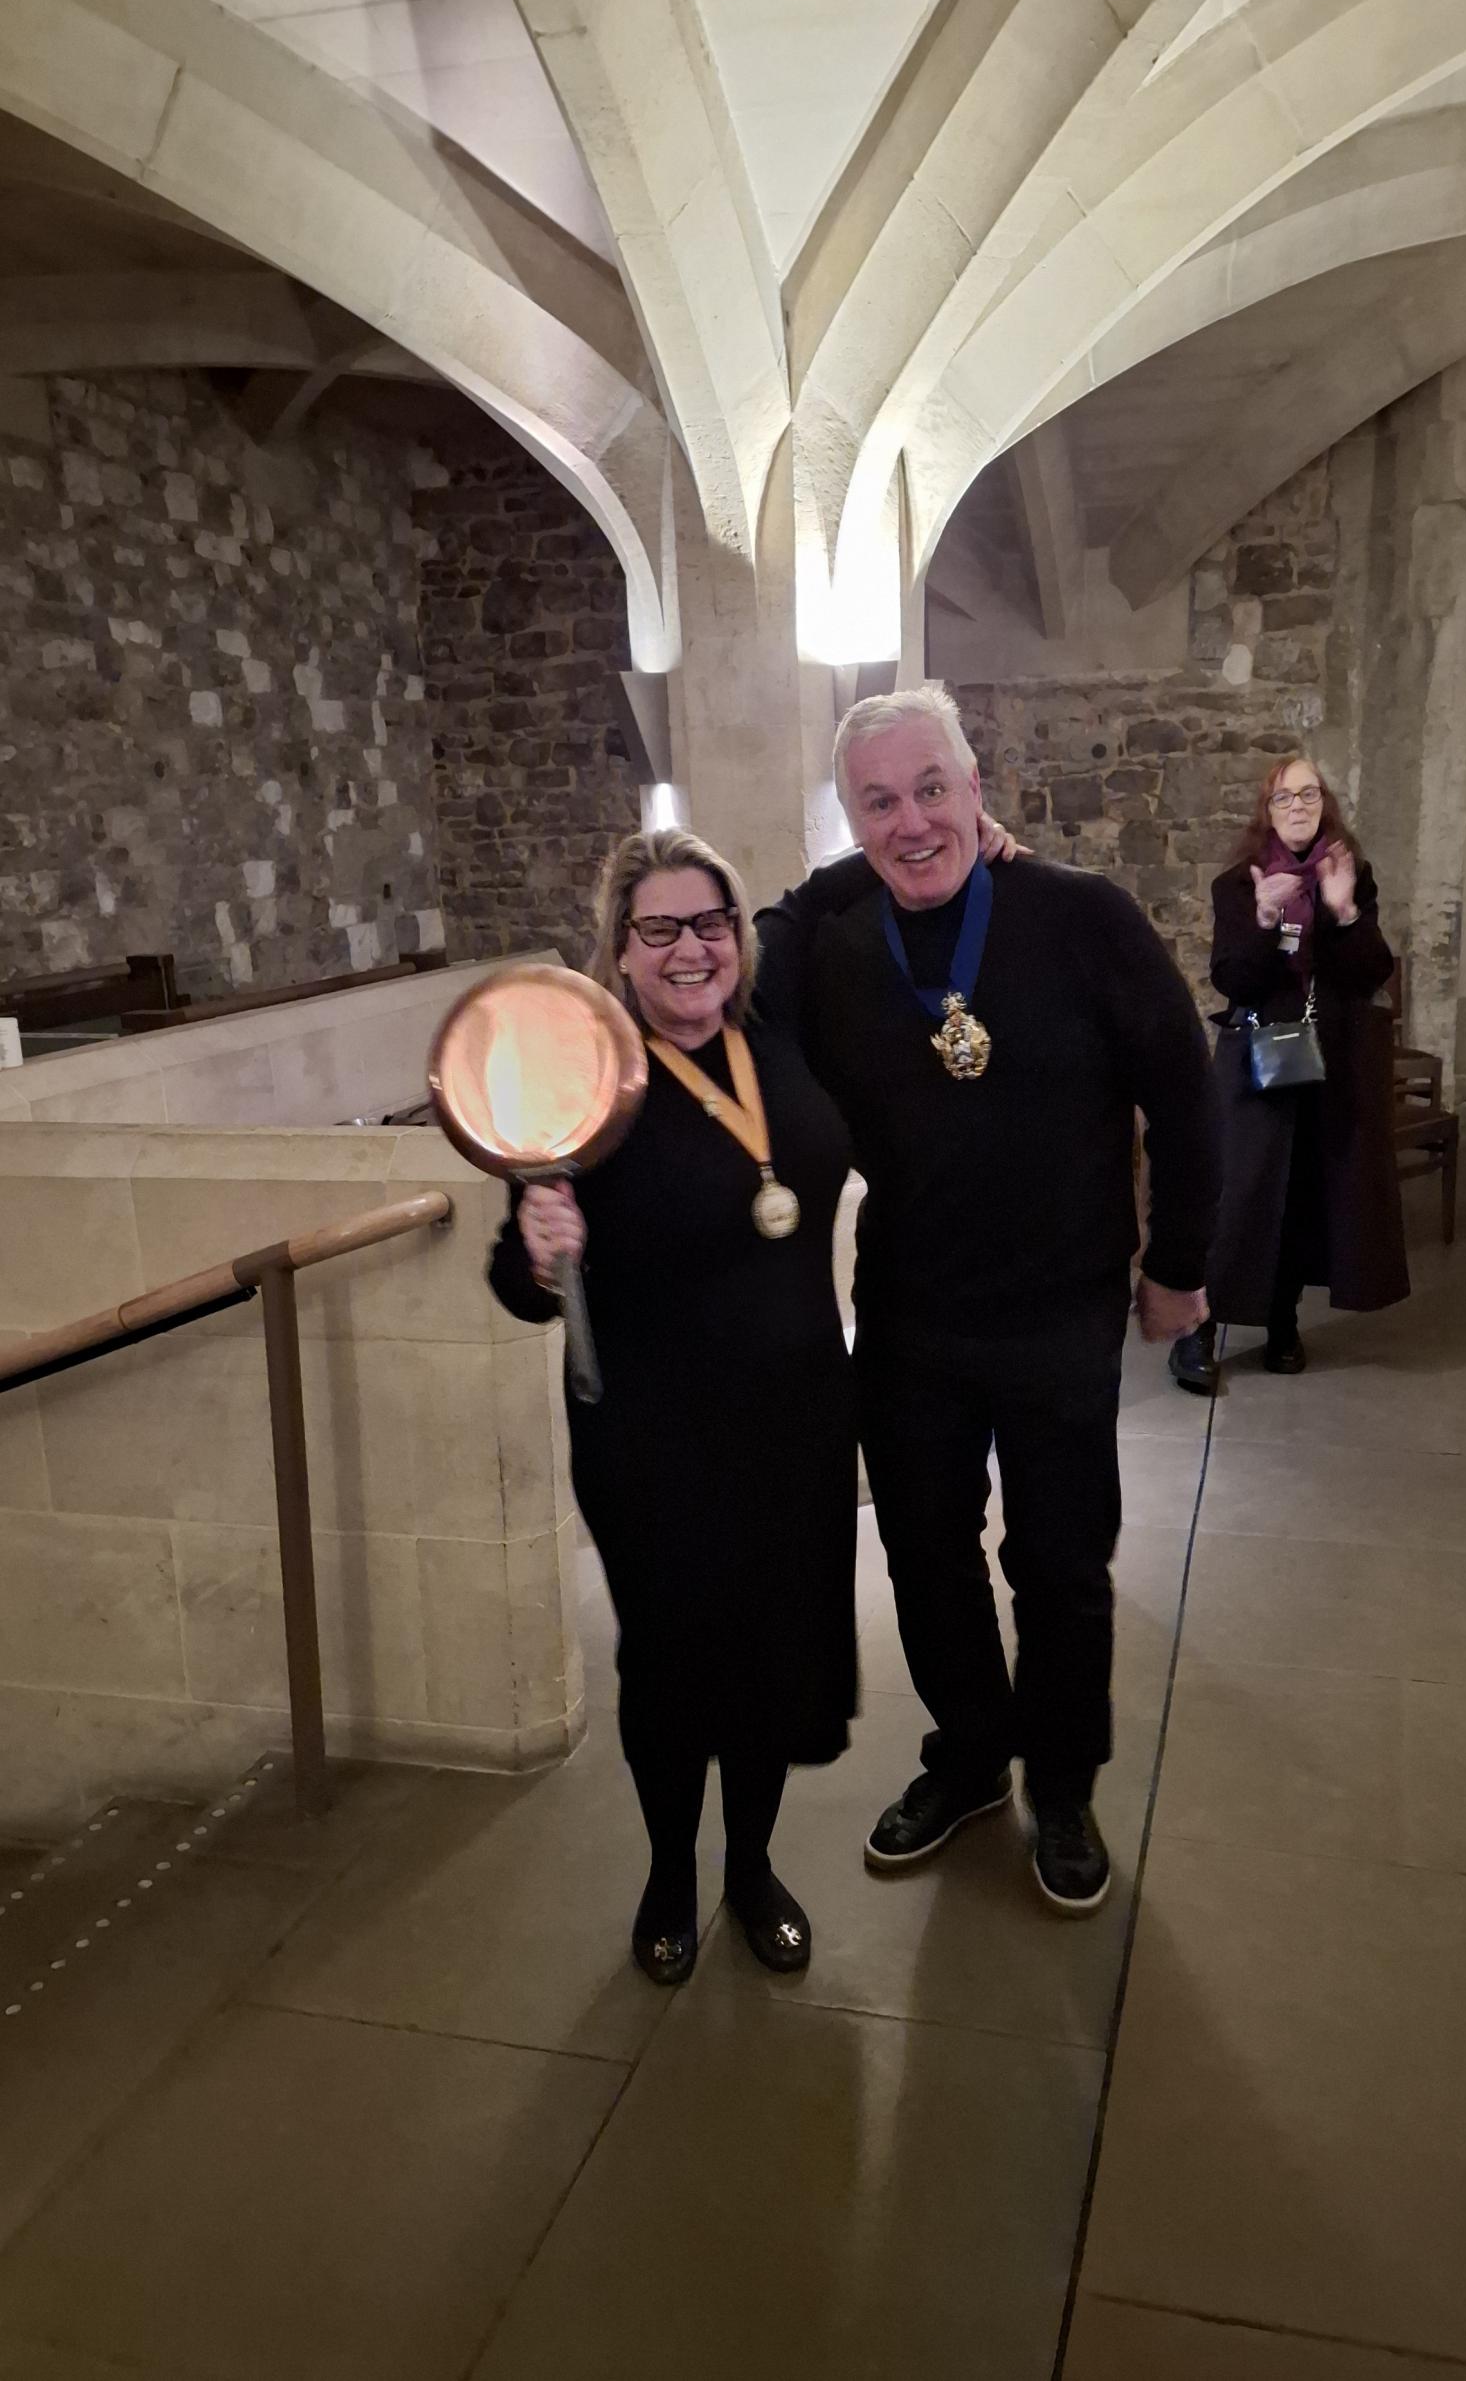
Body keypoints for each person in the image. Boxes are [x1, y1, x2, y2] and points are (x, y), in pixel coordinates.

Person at [755, 682, 1214, 1916]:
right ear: (849, 819)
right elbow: (745, 967)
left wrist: (1179, 1262)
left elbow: (1183, 1086)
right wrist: (850, 872)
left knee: (1060, 1562)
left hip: (1063, 1306)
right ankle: (967, 1754)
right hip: (910, 1312)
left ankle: (1061, 1785)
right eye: (878, 803)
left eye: (932, 790)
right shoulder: (835, 943)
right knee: (923, 1552)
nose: (912, 822)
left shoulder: (1081, 917)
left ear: (977, 786)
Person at [487, 828, 858, 1982]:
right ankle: (668, 1874)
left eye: (709, 922)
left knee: (773, 1654)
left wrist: (978, 840)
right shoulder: (588, 1082)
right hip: (656, 1440)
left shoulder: (777, 1034)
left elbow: (832, 888)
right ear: (620, 946)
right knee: (671, 1663)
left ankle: (751, 1867)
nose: (691, 949)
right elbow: (517, 1285)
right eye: (660, 928)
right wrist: (539, 1249)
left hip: (796, 1419)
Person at [1169, 755, 1407, 1392]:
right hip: (1257, 1055)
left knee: (1302, 1193)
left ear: (1324, 803)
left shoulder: (1348, 873)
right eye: (1283, 797)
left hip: (1330, 1060)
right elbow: (1234, 978)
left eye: (1308, 794)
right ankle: (1197, 1331)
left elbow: (1371, 972)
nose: (1297, 807)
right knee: (1237, 1195)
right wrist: (1265, 921)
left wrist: (1345, 910)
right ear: (1266, 811)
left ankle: (1282, 1322)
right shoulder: (1237, 884)